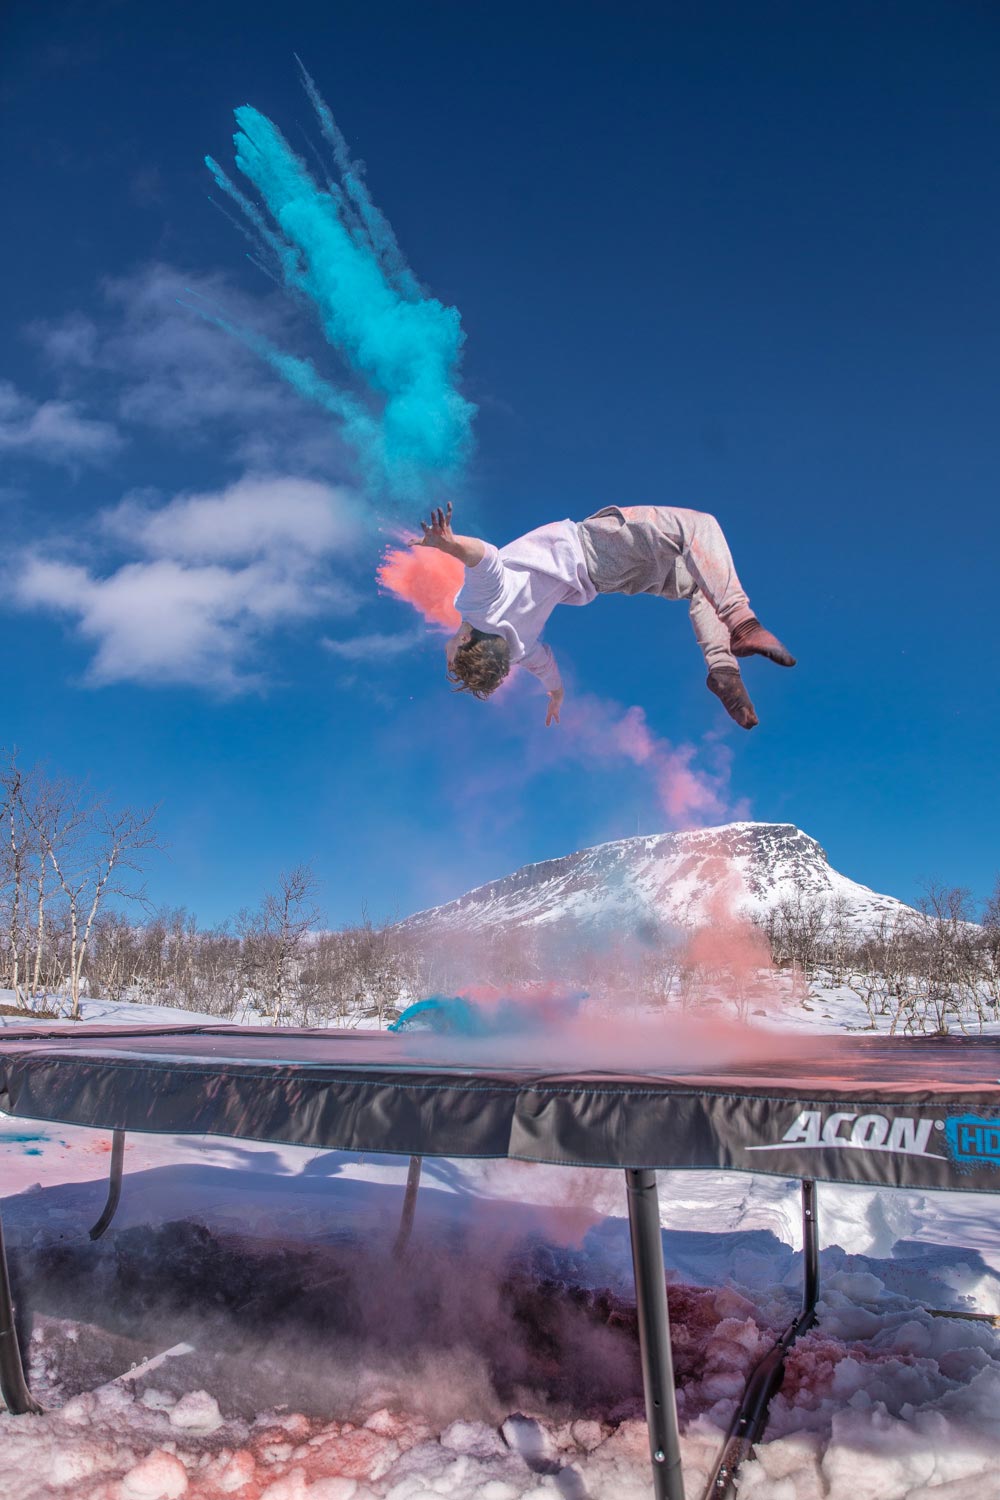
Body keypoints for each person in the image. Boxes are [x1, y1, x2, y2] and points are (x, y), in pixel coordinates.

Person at [412, 501, 795, 730]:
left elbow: (546, 668)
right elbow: (486, 560)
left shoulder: (516, 649)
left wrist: (556, 696)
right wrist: (449, 544)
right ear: (464, 641)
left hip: (607, 581)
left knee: (699, 583)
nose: (443, 646)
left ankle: (723, 670)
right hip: (594, 547)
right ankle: (742, 622)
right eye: (447, 653)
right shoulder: (476, 609)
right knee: (698, 526)